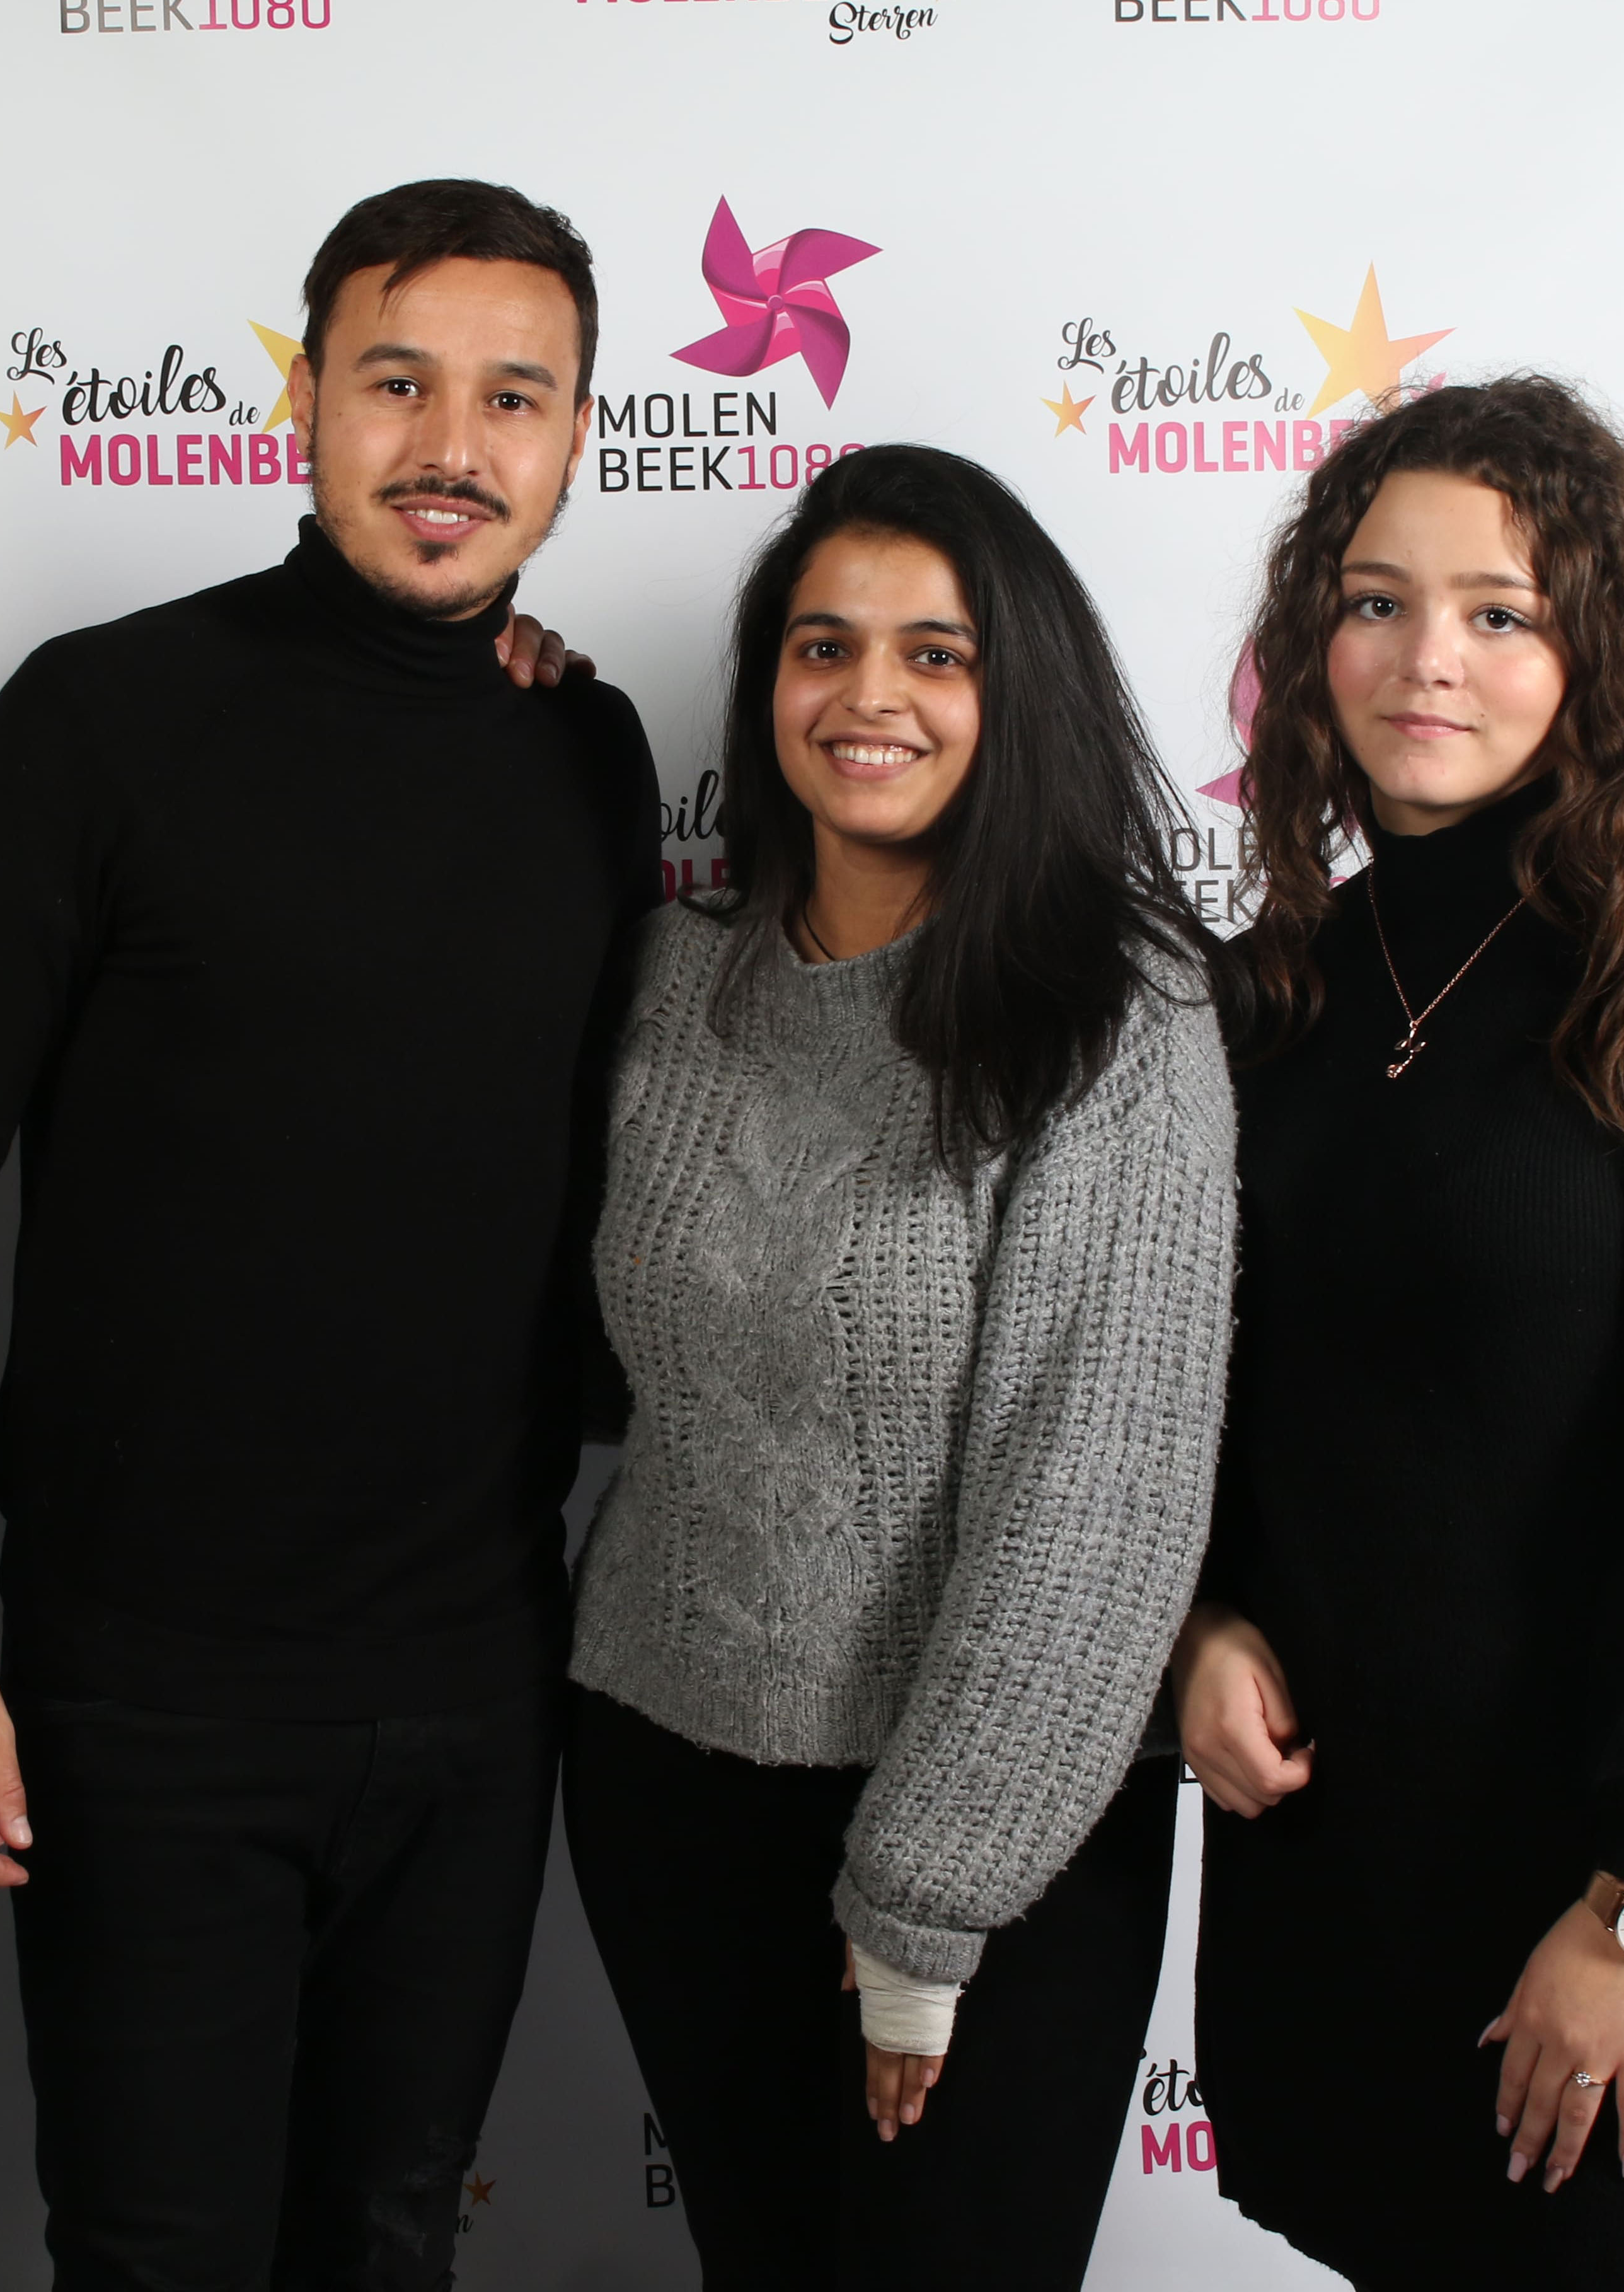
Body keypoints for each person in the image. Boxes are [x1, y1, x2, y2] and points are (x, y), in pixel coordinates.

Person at [0, 179, 653, 2286]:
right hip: (153, 1700)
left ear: (576, 432)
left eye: (514, 397)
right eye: (397, 382)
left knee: (388, 2244)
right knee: (158, 2252)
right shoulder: (106, 716)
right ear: (302, 399)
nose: (451, 444)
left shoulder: (588, 741)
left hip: (479, 1687)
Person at [1172, 376, 1624, 2290]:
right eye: (1377, 601)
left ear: (1599, 658)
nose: (1428, 657)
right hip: (1353, 1880)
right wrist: (1203, 1620)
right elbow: (1196, 1396)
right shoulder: (1271, 997)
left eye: (1500, 611)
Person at [560, 444, 1236, 2291]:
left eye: (938, 654)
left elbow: (1091, 1503)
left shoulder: (1114, 1016)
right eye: (824, 645)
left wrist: (924, 1911)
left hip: (990, 1842)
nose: (870, 696)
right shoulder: (671, 980)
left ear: (1021, 693)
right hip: (666, 1782)